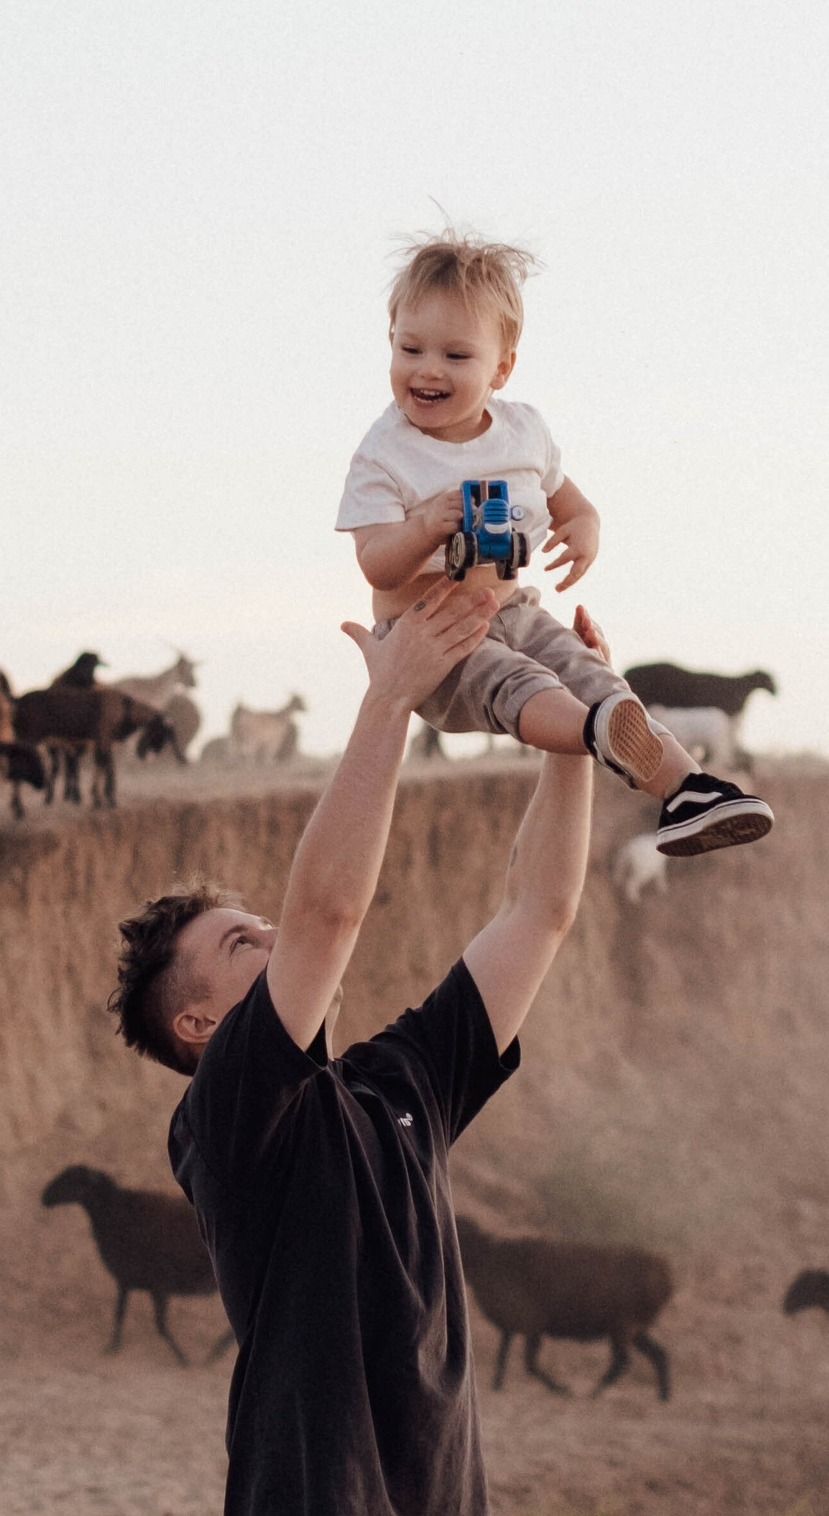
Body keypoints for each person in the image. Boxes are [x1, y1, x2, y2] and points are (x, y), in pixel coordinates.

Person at [107, 580, 597, 1515]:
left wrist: (571, 735)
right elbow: (328, 915)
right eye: (245, 944)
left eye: (265, 926)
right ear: (202, 1028)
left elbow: (540, 913)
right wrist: (391, 698)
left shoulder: (397, 1082)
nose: (278, 940)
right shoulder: (225, 1119)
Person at [338, 227, 772, 857]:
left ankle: (689, 788)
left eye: (456, 357)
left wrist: (585, 531)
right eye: (411, 349)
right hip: (429, 638)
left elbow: (575, 504)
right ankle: (597, 729)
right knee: (513, 681)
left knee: (589, 671)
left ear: (501, 369)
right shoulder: (385, 453)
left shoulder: (523, 432)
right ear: (391, 344)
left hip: (515, 609)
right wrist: (426, 526)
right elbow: (376, 565)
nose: (428, 369)